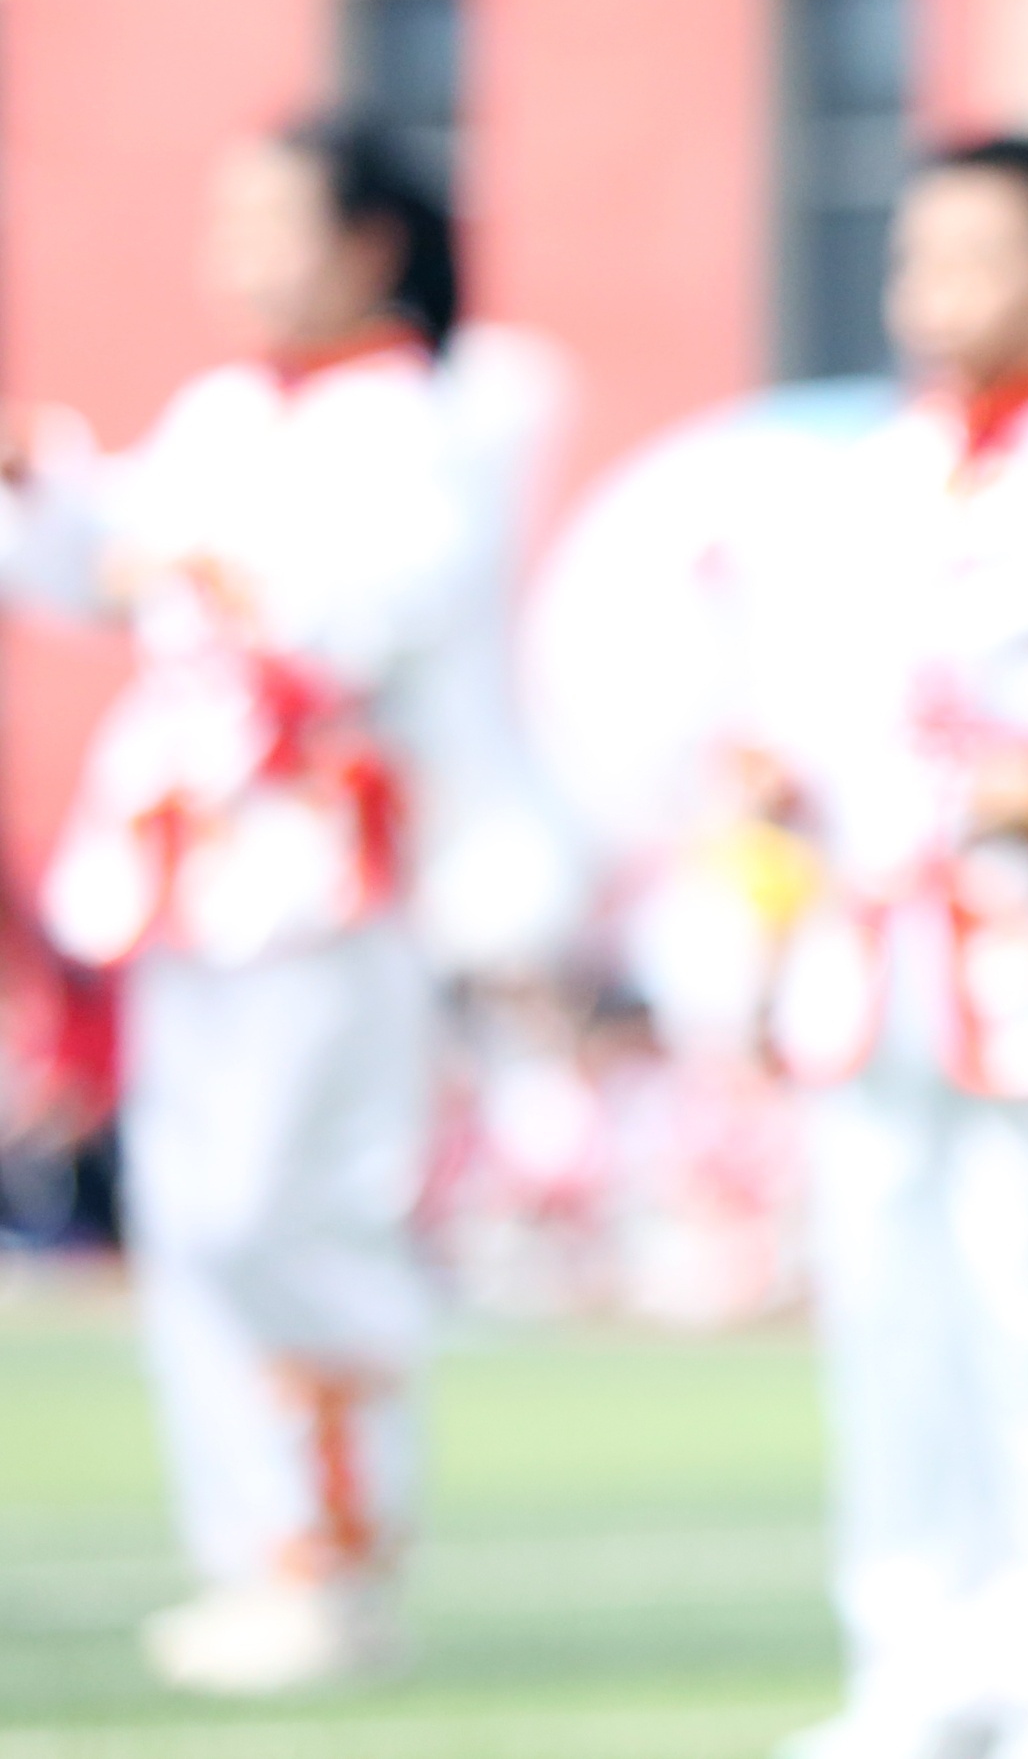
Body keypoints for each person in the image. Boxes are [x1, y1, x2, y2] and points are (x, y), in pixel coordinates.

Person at [2, 118, 568, 1693]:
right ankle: (253, 1554)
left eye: (276, 220)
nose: (241, 252)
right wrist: (49, 500)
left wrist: (147, 543)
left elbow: (359, 615)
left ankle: (337, 1546)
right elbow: (82, 572)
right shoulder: (223, 412)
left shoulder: (435, 416)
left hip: (332, 877)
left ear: (369, 244)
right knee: (190, 1227)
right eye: (229, 218)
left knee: (287, 1215)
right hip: (193, 871)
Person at [752, 138, 1028, 1759]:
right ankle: (917, 1669)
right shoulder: (869, 470)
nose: (935, 288)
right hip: (879, 959)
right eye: (917, 253)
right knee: (893, 1322)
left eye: (980, 252)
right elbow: (817, 689)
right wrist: (782, 767)